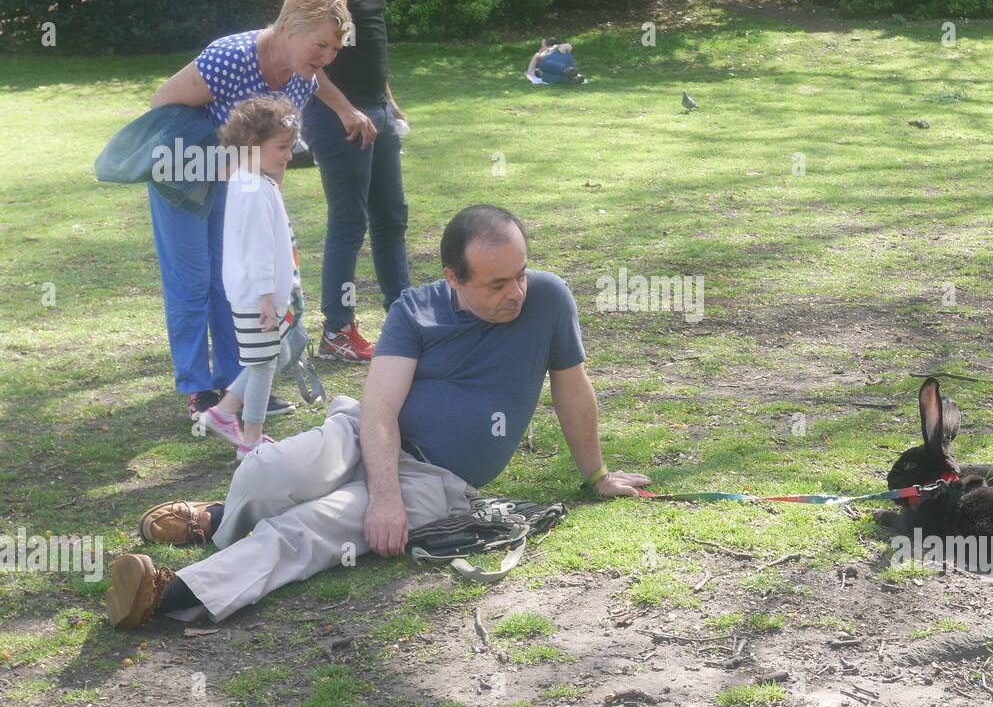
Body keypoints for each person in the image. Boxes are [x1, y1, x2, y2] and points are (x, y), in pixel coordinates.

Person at [108, 206, 652, 628]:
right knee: (266, 471)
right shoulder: (414, 310)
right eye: (496, 284)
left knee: (312, 527)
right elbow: (381, 409)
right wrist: (384, 498)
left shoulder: (549, 300)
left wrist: (597, 476)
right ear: (453, 278)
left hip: (436, 478)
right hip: (361, 434)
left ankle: (172, 593)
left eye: (520, 275)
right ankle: (223, 519)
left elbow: (572, 391)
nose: (516, 293)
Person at [148, 0, 352, 422]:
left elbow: (277, 152)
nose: (326, 59)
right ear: (290, 29)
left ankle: (235, 386)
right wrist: (220, 160)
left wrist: (269, 206)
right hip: (180, 175)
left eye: (334, 50)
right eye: (320, 45)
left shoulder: (302, 81)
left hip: (235, 184)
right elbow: (161, 105)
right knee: (193, 281)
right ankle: (198, 389)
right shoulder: (231, 57)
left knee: (234, 280)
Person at [291, 0, 411, 363]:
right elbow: (303, 53)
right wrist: (345, 110)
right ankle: (337, 331)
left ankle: (404, 317)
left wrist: (387, 99)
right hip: (337, 114)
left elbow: (368, 40)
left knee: (392, 217)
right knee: (350, 220)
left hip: (376, 109)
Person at [197, 96, 304, 461]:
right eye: (282, 148)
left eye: (291, 147)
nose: (289, 156)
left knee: (272, 355)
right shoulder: (254, 189)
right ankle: (251, 440)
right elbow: (258, 249)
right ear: (251, 146)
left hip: (259, 294)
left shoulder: (250, 180)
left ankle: (225, 412)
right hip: (258, 296)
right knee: (262, 366)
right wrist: (265, 300)